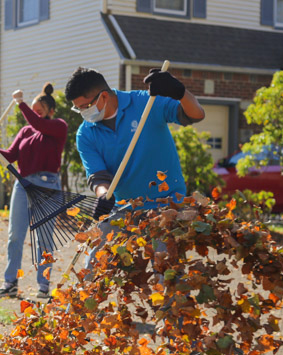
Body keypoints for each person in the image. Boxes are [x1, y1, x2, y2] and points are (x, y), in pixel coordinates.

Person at [64, 66, 205, 270]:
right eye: (79, 108)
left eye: (86, 106)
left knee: (167, 271)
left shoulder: (146, 103)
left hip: (166, 205)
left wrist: (180, 92)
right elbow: (97, 175)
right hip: (123, 207)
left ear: (103, 96)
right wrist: (104, 194)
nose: (84, 112)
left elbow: (195, 115)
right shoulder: (86, 133)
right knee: (93, 262)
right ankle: (73, 302)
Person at [0, 84, 68, 299]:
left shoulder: (59, 126)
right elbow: (10, 156)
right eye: (33, 110)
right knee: (14, 236)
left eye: (39, 110)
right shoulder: (26, 131)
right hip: (22, 184)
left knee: (44, 239)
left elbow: (38, 124)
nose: (34, 114)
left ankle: (43, 286)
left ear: (51, 111)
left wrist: (21, 103)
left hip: (48, 185)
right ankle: (10, 282)